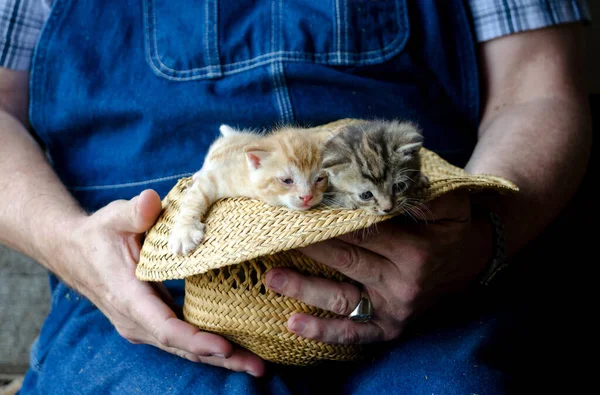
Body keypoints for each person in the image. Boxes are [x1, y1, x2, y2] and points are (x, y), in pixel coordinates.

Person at [0, 0, 593, 393]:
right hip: (137, 300)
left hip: (434, 272)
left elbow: (540, 90)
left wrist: (483, 240)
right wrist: (74, 250)